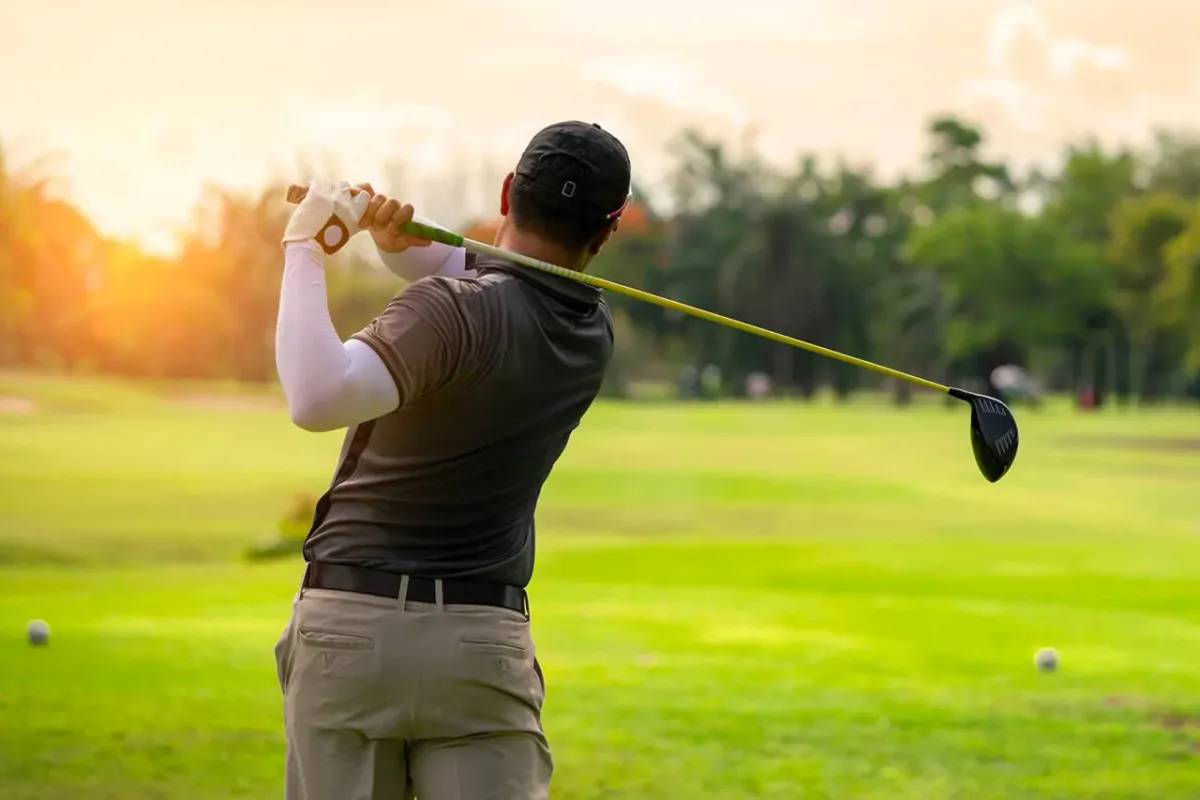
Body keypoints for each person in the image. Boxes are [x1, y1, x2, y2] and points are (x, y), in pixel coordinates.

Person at [271, 120, 632, 800]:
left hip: (353, 632)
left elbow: (317, 397)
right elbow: (495, 290)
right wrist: (399, 246)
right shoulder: (592, 332)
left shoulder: (444, 310)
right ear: (606, 231)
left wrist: (305, 246)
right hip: (483, 646)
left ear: (507, 191)